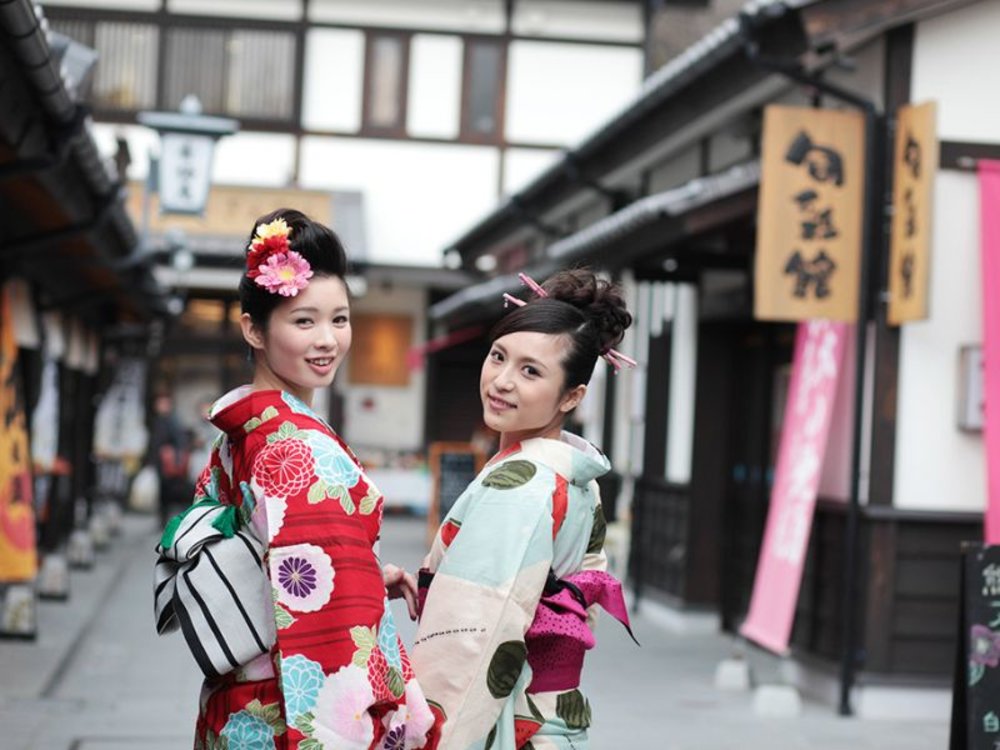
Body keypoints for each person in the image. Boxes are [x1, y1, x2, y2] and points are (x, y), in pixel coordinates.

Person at [179, 209, 434, 749]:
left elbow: (290, 565)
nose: (327, 340)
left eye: (339, 319)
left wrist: (360, 574)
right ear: (254, 328)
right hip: (290, 711)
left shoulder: (244, 431)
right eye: (303, 321)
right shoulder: (296, 446)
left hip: (240, 708)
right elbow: (325, 638)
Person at [412, 269, 637, 750]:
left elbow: (472, 639)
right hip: (552, 717)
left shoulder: (523, 485)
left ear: (571, 397)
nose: (502, 381)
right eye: (498, 357)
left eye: (530, 371)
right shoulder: (574, 477)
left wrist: (432, 736)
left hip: (507, 721)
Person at [149, 392, 191, 528]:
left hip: (169, 463)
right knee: (164, 494)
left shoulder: (172, 421)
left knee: (172, 493)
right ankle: (164, 521)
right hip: (162, 463)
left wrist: (178, 461)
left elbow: (179, 441)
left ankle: (176, 520)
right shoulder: (158, 421)